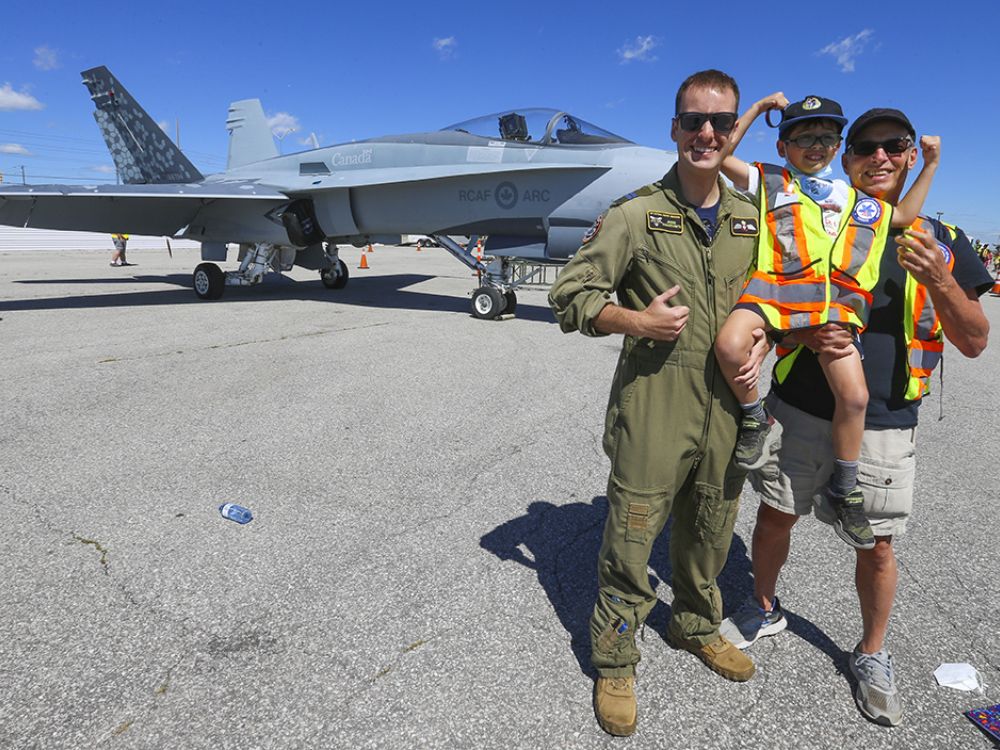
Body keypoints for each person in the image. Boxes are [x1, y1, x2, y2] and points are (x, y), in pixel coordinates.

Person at [719, 108, 992, 727]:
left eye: (894, 146)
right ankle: (764, 607)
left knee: (877, 545)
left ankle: (872, 653)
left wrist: (942, 281)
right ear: (847, 161)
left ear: (907, 155)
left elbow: (974, 340)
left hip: (887, 419)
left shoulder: (939, 237)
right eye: (866, 147)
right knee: (775, 516)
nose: (881, 157)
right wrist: (785, 336)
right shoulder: (826, 212)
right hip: (801, 406)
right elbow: (777, 292)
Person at [548, 69, 769, 737]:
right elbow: (570, 295)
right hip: (653, 405)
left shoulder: (749, 220)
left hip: (727, 409)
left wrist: (766, 342)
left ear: (732, 131)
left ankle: (696, 624)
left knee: (710, 525)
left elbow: (781, 301)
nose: (707, 133)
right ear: (674, 129)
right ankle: (615, 657)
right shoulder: (637, 214)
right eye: (693, 121)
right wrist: (633, 321)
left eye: (721, 123)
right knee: (631, 534)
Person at [715, 94, 939, 552]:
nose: (816, 145)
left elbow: (904, 216)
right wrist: (758, 109)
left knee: (854, 398)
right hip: (772, 295)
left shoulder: (855, 200)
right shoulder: (770, 180)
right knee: (729, 344)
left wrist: (929, 165)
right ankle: (755, 416)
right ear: (783, 146)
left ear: (838, 146)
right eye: (803, 138)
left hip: (830, 314)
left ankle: (847, 486)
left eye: (826, 137)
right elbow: (720, 155)